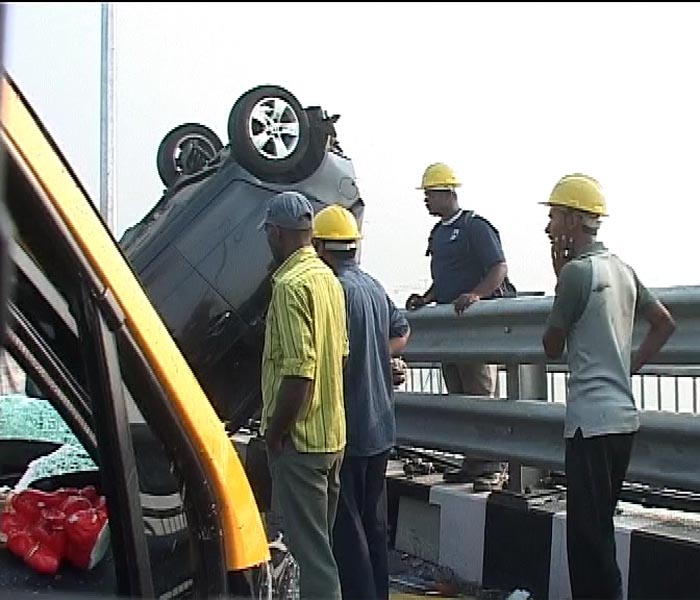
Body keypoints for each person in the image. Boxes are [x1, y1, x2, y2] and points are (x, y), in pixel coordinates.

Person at [541, 173, 676, 600]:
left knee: (586, 537)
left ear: (575, 221)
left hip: (589, 423)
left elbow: (551, 346)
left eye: (556, 217)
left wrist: (559, 275)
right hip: (622, 419)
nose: (549, 228)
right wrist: (626, 365)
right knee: (599, 527)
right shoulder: (622, 268)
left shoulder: (577, 273)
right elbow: (664, 323)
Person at [312, 205, 411, 600]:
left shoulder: (333, 292)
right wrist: (378, 356)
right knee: (373, 525)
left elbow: (329, 359)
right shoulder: (372, 286)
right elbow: (402, 331)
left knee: (347, 530)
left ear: (320, 247)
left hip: (348, 428)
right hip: (380, 427)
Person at [260, 191, 349, 600]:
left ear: (276, 233)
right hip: (332, 437)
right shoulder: (329, 280)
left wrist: (276, 433)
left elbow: (299, 371)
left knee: (309, 559)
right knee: (321, 547)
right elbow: (341, 356)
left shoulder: (289, 286)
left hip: (302, 443)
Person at [405, 162, 513, 489]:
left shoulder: (474, 226)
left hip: (476, 329)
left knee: (481, 395)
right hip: (452, 328)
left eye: (430, 194)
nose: (426, 201)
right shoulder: (438, 234)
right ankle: (473, 461)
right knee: (460, 397)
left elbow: (499, 268)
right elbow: (445, 280)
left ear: (447, 192)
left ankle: (494, 464)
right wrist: (426, 299)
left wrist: (477, 295)